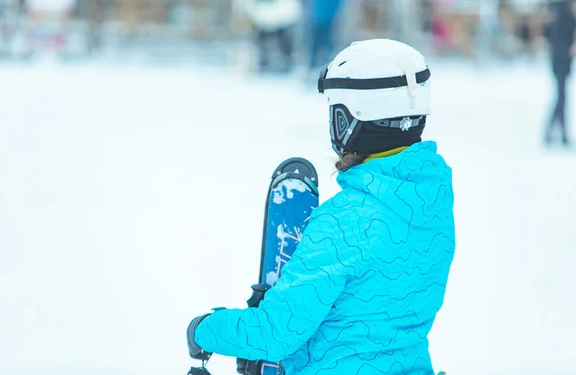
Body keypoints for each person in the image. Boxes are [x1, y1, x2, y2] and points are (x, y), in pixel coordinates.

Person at [187, 39, 456, 375]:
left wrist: (205, 329)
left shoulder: (346, 221)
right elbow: (370, 315)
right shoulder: (432, 205)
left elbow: (277, 334)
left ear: (350, 119)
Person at [545, 0, 576, 147]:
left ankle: (554, 134)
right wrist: (570, 50)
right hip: (559, 64)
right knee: (561, 99)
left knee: (561, 99)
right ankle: (555, 134)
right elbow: (557, 43)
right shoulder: (562, 21)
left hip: (564, 65)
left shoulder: (570, 20)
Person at [309, 0, 345, 69]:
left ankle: (326, 68)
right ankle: (316, 67)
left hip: (326, 17)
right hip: (320, 16)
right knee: (318, 45)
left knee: (325, 45)